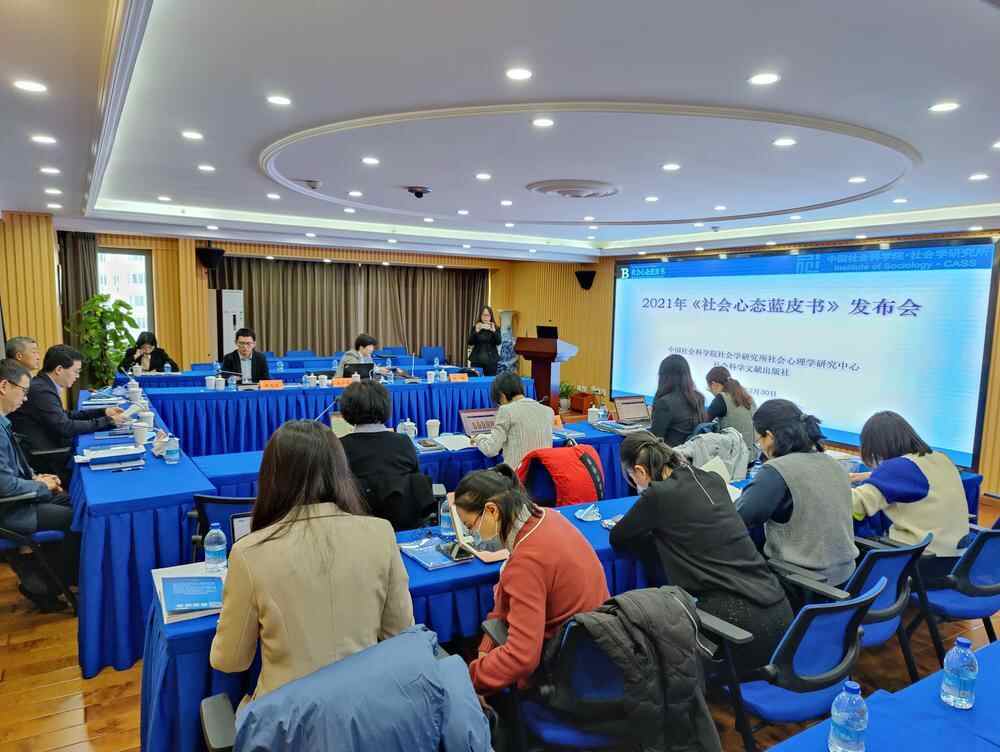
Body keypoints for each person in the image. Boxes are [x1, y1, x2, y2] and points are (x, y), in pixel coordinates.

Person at [210, 420, 414, 706]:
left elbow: (230, 660)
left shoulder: (249, 552)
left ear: (272, 477)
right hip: (367, 711)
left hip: (287, 718)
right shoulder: (380, 533)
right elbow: (401, 634)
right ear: (340, 471)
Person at [609, 432, 792, 672]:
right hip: (782, 620)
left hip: (739, 632)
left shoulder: (658, 495)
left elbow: (619, 538)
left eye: (633, 479)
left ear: (640, 471)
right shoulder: (712, 479)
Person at [452, 466, 608, 695]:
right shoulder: (545, 518)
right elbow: (505, 599)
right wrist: (486, 648)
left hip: (563, 671)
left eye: (469, 527)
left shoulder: (526, 561)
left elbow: (521, 658)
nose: (472, 537)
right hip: (593, 647)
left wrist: (469, 682)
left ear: (492, 511)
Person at [735, 399, 858, 586]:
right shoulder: (833, 464)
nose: (760, 446)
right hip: (845, 578)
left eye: (759, 439)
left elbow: (739, 517)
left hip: (800, 581)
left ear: (770, 436)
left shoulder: (777, 471)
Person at [852, 411, 971, 583]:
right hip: (956, 560)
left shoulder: (898, 468)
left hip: (920, 563)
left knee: (854, 549)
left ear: (875, 446)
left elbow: (854, 504)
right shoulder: (940, 458)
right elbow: (913, 479)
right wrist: (867, 476)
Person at [0, 358, 79, 612]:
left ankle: (50, 575)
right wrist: (41, 486)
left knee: (76, 502)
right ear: (4, 386)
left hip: (20, 497)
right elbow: (4, 486)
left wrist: (36, 478)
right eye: (23, 391)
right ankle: (46, 585)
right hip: (10, 509)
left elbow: (12, 469)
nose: (25, 399)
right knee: (74, 518)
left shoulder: (4, 420)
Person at [339, 381, 435, 531]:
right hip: (403, 525)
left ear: (346, 409)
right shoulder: (403, 442)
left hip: (357, 527)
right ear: (386, 407)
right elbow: (414, 483)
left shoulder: (339, 446)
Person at [9, 345, 128, 460]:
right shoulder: (41, 391)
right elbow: (65, 427)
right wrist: (108, 421)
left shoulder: (43, 385)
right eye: (76, 371)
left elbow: (65, 415)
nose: (77, 376)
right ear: (59, 370)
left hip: (51, 445)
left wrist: (103, 412)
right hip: (48, 456)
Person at [472, 371, 553, 471]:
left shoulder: (506, 410)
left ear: (501, 395)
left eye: (499, 402)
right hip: (543, 474)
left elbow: (490, 450)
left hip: (515, 475)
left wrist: (478, 438)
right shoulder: (548, 411)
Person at [650, 355, 706, 446]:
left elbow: (654, 440)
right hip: (692, 452)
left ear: (664, 376)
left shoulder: (665, 402)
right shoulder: (699, 397)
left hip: (670, 453)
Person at [705, 366, 757, 453]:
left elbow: (703, 423)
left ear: (714, 384)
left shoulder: (722, 398)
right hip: (752, 454)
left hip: (733, 457)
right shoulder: (748, 398)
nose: (709, 390)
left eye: (708, 388)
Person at [467, 306, 501, 376]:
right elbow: (470, 342)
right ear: (480, 316)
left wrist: (494, 331)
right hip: (476, 360)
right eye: (483, 315)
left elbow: (499, 342)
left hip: (491, 361)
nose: (485, 317)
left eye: (487, 315)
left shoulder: (495, 328)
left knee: (490, 381)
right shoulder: (476, 327)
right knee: (476, 380)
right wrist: (476, 331)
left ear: (491, 316)